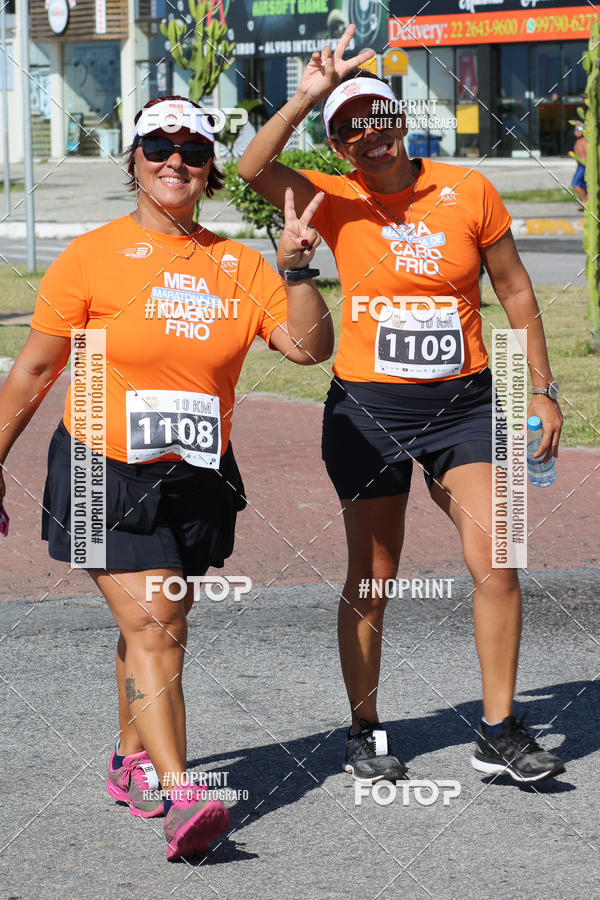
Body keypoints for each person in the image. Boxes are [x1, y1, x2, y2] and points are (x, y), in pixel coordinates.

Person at [0, 95, 333, 860]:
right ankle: (186, 795)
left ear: (211, 167)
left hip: (196, 475)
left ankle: (131, 762)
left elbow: (309, 348)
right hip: (98, 467)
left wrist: (299, 270)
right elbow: (35, 370)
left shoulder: (240, 264)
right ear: (133, 159)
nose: (174, 159)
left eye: (191, 147)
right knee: (156, 623)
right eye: (158, 144)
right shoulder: (90, 256)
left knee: (151, 624)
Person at [238, 27, 565, 786]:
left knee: (499, 561)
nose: (368, 138)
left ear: (401, 120)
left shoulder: (468, 190)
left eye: (376, 120)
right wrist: (308, 97)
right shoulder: (334, 198)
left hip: (469, 404)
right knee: (374, 573)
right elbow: (248, 167)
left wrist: (542, 388)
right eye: (348, 130)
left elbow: (514, 290)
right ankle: (365, 729)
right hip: (368, 411)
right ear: (339, 148)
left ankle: (500, 729)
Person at [569, 122, 587, 208]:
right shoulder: (578, 141)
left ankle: (584, 200)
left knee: (575, 184)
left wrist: (574, 156)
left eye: (579, 129)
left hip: (584, 167)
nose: (577, 131)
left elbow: (587, 157)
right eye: (575, 129)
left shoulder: (584, 142)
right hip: (580, 166)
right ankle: (586, 200)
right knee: (584, 185)